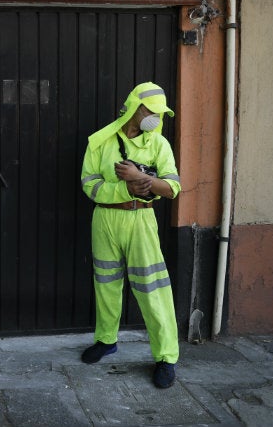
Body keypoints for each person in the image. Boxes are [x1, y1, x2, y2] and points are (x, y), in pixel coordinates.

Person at [79, 81, 181, 389]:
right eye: (151, 110)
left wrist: (139, 177)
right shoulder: (101, 142)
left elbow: (173, 188)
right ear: (136, 108)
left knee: (153, 288)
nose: (155, 117)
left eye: (159, 112)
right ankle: (106, 340)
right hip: (106, 219)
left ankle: (166, 357)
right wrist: (123, 188)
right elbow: (89, 184)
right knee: (106, 284)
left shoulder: (159, 144)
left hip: (141, 220)